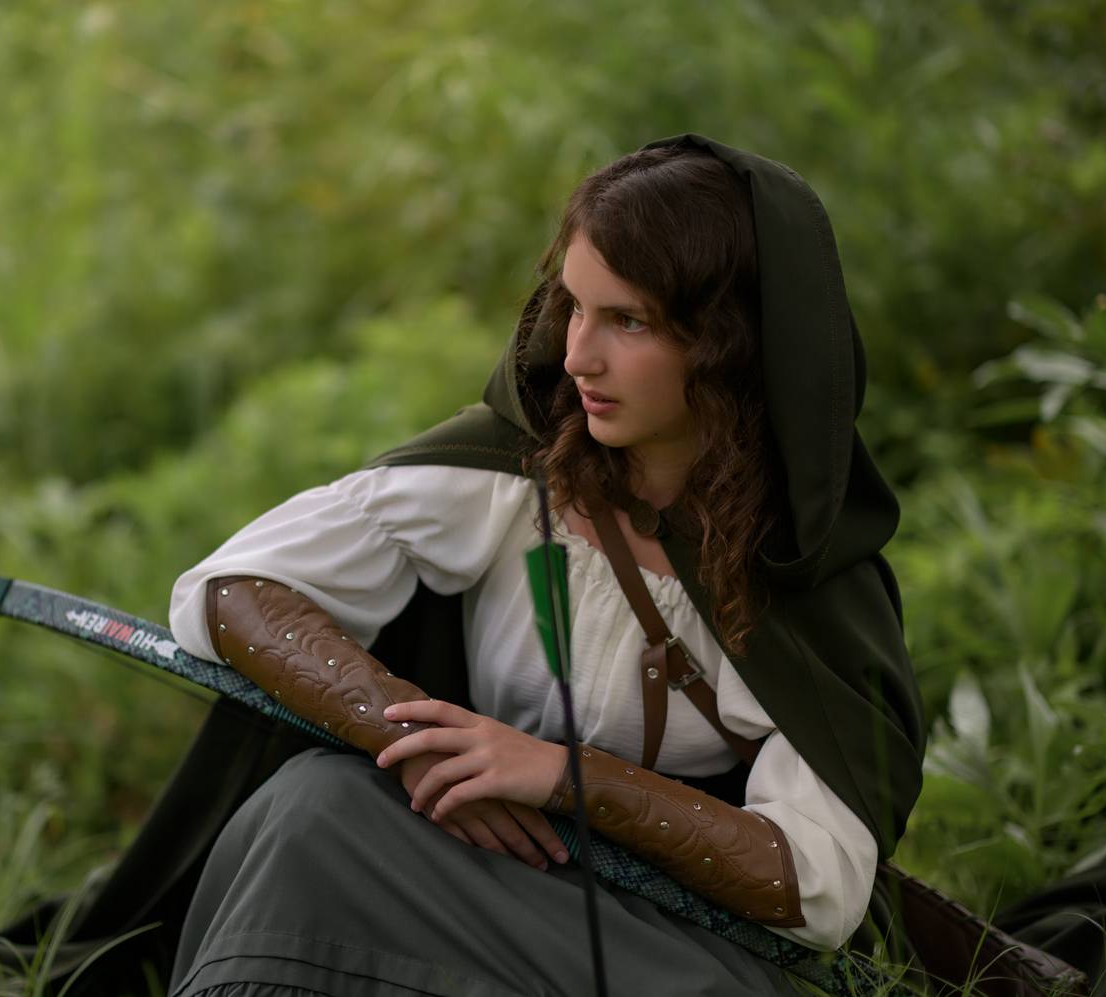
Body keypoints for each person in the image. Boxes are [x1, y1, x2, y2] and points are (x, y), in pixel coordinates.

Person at [163, 132, 925, 996]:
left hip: (665, 945)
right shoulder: (515, 470)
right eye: (573, 306)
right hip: (477, 870)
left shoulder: (804, 574)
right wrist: (410, 739)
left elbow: (817, 885)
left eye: (627, 321)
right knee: (314, 811)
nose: (576, 355)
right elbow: (231, 591)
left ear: (730, 344)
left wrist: (568, 778)